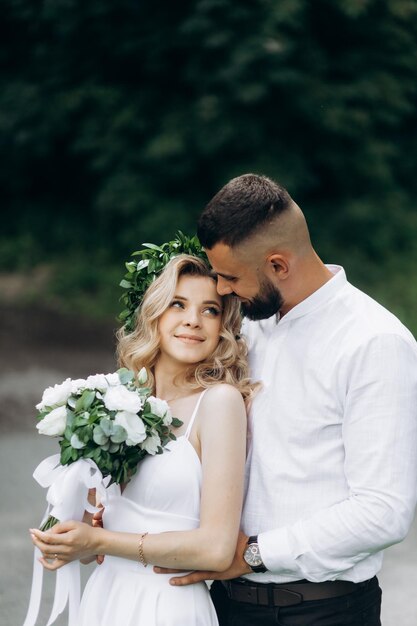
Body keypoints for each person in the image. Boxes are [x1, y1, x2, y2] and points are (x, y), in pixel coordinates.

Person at [154, 174, 417, 626]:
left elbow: (384, 511)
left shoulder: (375, 342)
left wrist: (254, 554)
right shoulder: (245, 326)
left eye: (230, 277)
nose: (219, 289)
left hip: (320, 610)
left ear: (279, 266)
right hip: (219, 604)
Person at [30, 253, 253, 626]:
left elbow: (216, 549)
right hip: (106, 597)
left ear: (222, 326)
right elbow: (91, 542)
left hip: (167, 605)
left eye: (210, 310)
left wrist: (98, 542)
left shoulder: (218, 402)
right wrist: (69, 538)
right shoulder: (121, 404)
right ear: (154, 314)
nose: (193, 321)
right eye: (177, 304)